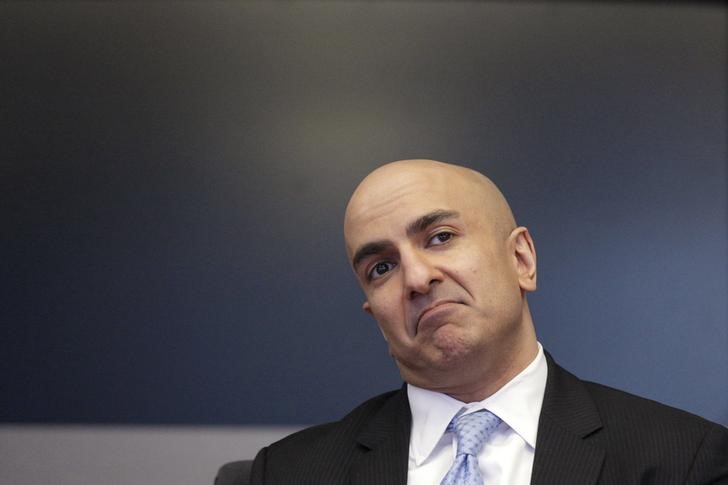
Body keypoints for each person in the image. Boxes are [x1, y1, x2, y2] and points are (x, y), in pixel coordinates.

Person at [248, 159, 728, 484]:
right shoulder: (287, 473)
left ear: (521, 258)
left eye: (440, 237)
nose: (416, 277)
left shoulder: (683, 461)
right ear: (374, 312)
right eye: (381, 267)